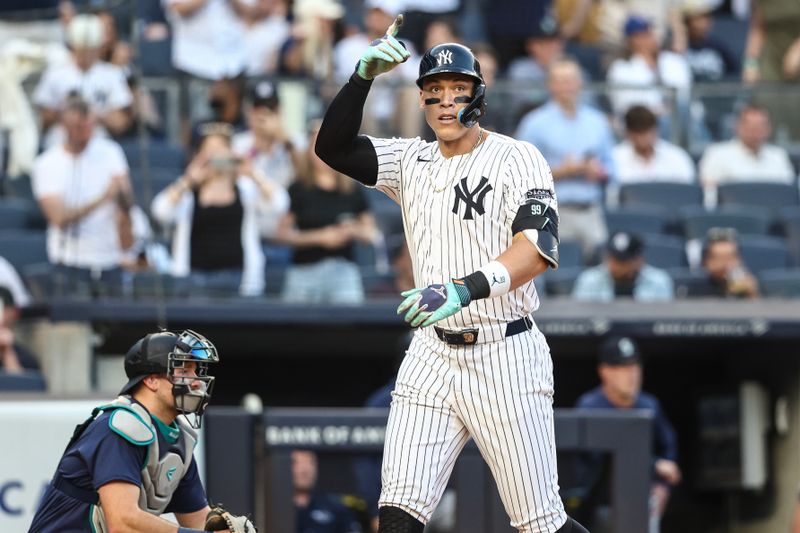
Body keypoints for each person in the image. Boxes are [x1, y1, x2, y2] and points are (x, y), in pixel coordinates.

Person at [314, 18, 588, 532]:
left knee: (541, 522)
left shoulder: (517, 158)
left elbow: (536, 251)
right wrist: (360, 80)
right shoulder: (410, 159)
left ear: (478, 96)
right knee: (397, 512)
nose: (444, 101)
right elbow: (331, 148)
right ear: (421, 100)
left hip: (504, 352)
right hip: (432, 353)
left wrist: (463, 289)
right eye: (433, 91)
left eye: (457, 90)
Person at [28, 329, 255, 532]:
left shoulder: (180, 439)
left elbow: (197, 522)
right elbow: (123, 522)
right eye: (184, 370)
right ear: (152, 380)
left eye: (196, 371)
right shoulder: (119, 427)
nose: (196, 381)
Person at [151, 122, 289, 296]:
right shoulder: (189, 193)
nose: (216, 155)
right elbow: (160, 211)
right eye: (209, 150)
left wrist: (253, 173)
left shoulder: (245, 188)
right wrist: (188, 180)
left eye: (221, 149)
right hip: (195, 279)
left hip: (238, 278)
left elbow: (280, 204)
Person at [574, 336, 681, 532]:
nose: (632, 374)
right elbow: (599, 462)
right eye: (623, 367)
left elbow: (669, 450)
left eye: (635, 366)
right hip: (600, 507)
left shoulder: (649, 406)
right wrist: (654, 465)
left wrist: (663, 487)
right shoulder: (590, 407)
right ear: (604, 371)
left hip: (642, 503)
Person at [32, 95, 135, 289]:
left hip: (110, 260)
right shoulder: (47, 163)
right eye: (79, 128)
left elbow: (127, 201)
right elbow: (58, 217)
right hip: (69, 262)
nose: (86, 134)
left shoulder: (111, 152)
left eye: (90, 127)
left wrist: (122, 196)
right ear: (64, 125)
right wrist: (103, 198)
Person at [516, 58, 615, 258]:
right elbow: (521, 175)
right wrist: (563, 171)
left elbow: (612, 169)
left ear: (580, 83)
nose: (567, 86)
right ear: (549, 85)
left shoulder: (597, 122)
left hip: (591, 211)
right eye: (561, 81)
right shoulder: (534, 123)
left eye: (571, 80)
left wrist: (598, 171)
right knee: (557, 273)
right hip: (552, 214)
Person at [277, 126, 377, 304]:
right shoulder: (298, 188)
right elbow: (282, 234)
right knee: (294, 327)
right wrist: (319, 237)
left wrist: (353, 230)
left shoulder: (352, 189)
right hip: (304, 270)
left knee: (350, 324)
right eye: (316, 146)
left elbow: (372, 234)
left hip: (343, 270)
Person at [33, 13, 133, 148]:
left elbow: (121, 122)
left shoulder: (112, 74)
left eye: (90, 49)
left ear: (98, 47)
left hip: (98, 141)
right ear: (73, 46)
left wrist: (95, 115)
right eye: (81, 49)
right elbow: (43, 118)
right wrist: (67, 113)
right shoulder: (56, 72)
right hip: (60, 141)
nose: (85, 55)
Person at [698, 104, 795, 191]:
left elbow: (787, 194)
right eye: (750, 126)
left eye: (760, 126)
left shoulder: (779, 156)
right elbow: (710, 195)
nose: (755, 132)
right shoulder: (717, 154)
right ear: (737, 126)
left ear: (768, 128)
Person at [232, 80, 301, 190]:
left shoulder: (293, 142)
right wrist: (255, 148)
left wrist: (286, 142)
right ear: (250, 113)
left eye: (270, 111)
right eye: (259, 110)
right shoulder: (238, 142)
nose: (263, 116)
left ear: (279, 112)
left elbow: (305, 175)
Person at [572, 231, 674, 301]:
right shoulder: (588, 280)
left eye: (625, 261)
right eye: (616, 260)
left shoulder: (659, 280)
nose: (619, 266)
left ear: (639, 260)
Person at [612, 104, 696, 184]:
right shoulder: (615, 158)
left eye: (647, 130)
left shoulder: (677, 157)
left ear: (656, 130)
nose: (643, 138)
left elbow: (687, 192)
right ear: (628, 133)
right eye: (638, 132)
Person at [293, 449, 363, 533]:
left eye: (311, 462)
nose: (305, 470)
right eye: (296, 463)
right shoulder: (275, 508)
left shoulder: (337, 507)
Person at [687, 227, 760, 298]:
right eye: (719, 258)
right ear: (706, 262)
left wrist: (752, 294)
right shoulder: (695, 291)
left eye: (730, 258)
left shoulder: (746, 288)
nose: (725, 264)